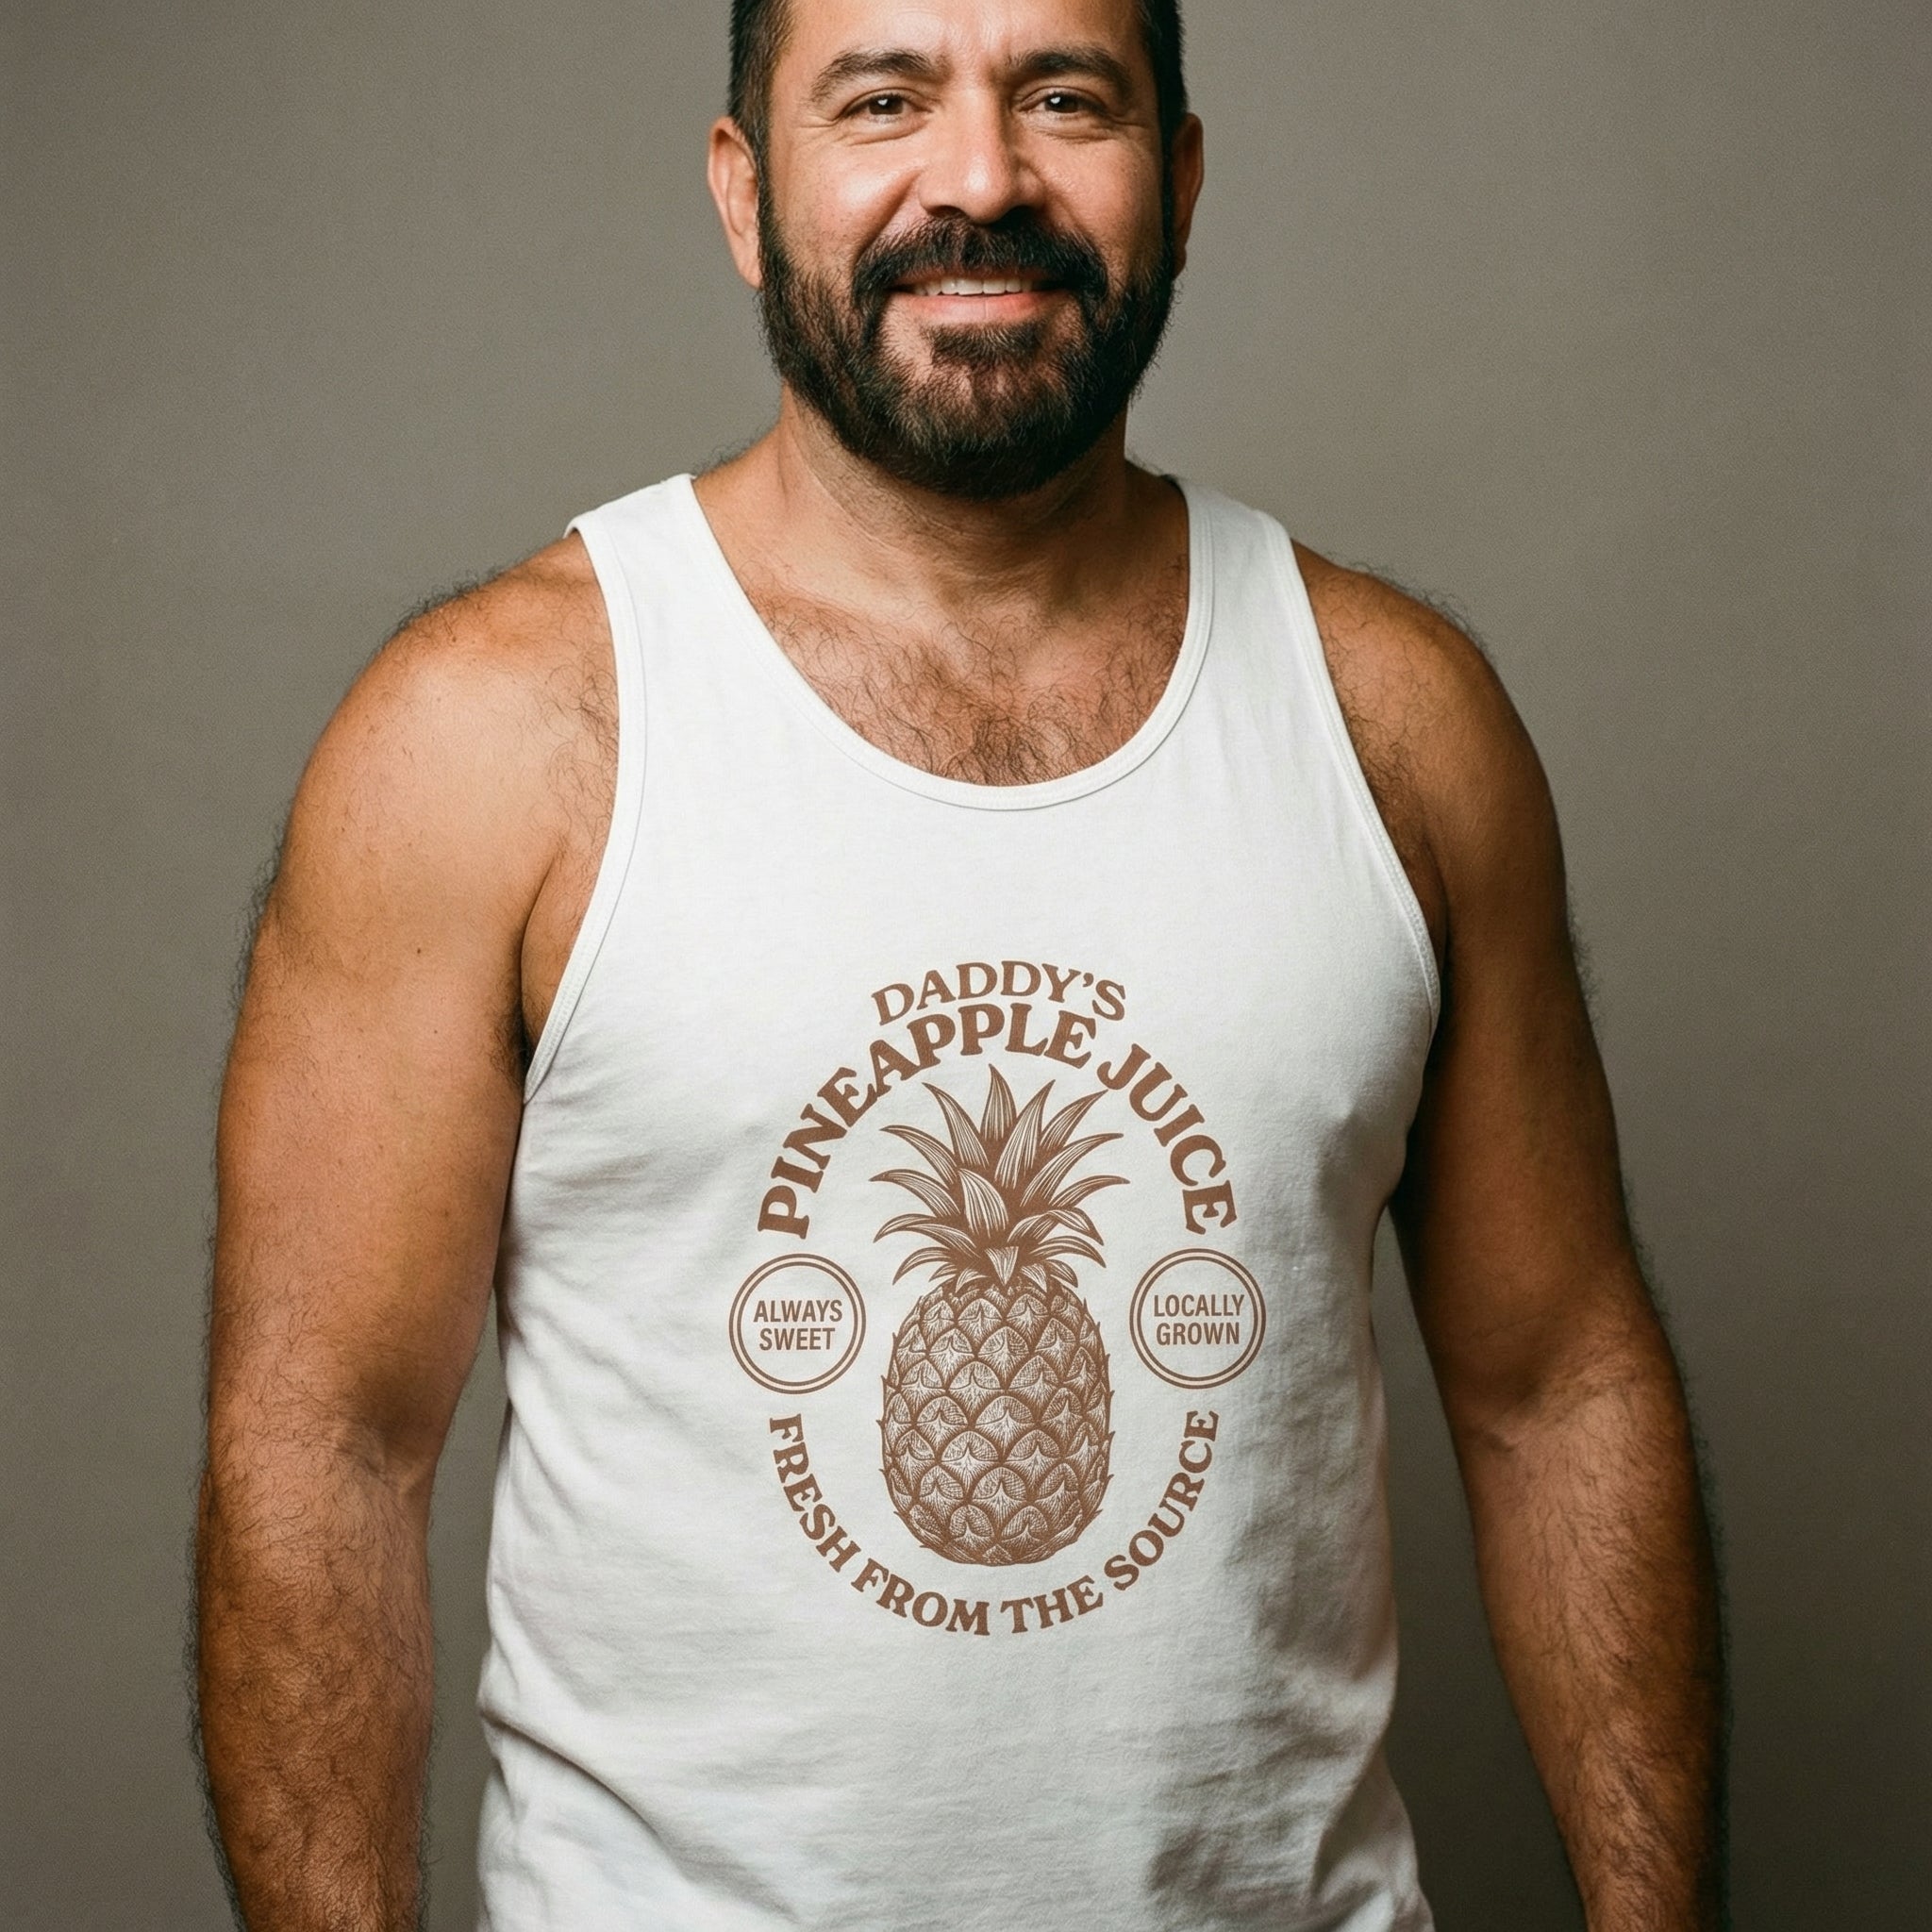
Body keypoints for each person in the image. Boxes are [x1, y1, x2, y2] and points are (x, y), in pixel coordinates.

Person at [194, 1, 1724, 1926]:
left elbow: (1556, 1385)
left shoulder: (1396, 722)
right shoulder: (493, 735)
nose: (982, 178)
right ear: (746, 193)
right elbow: (323, 1446)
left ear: (1177, 178)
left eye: (1064, 97)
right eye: (883, 100)